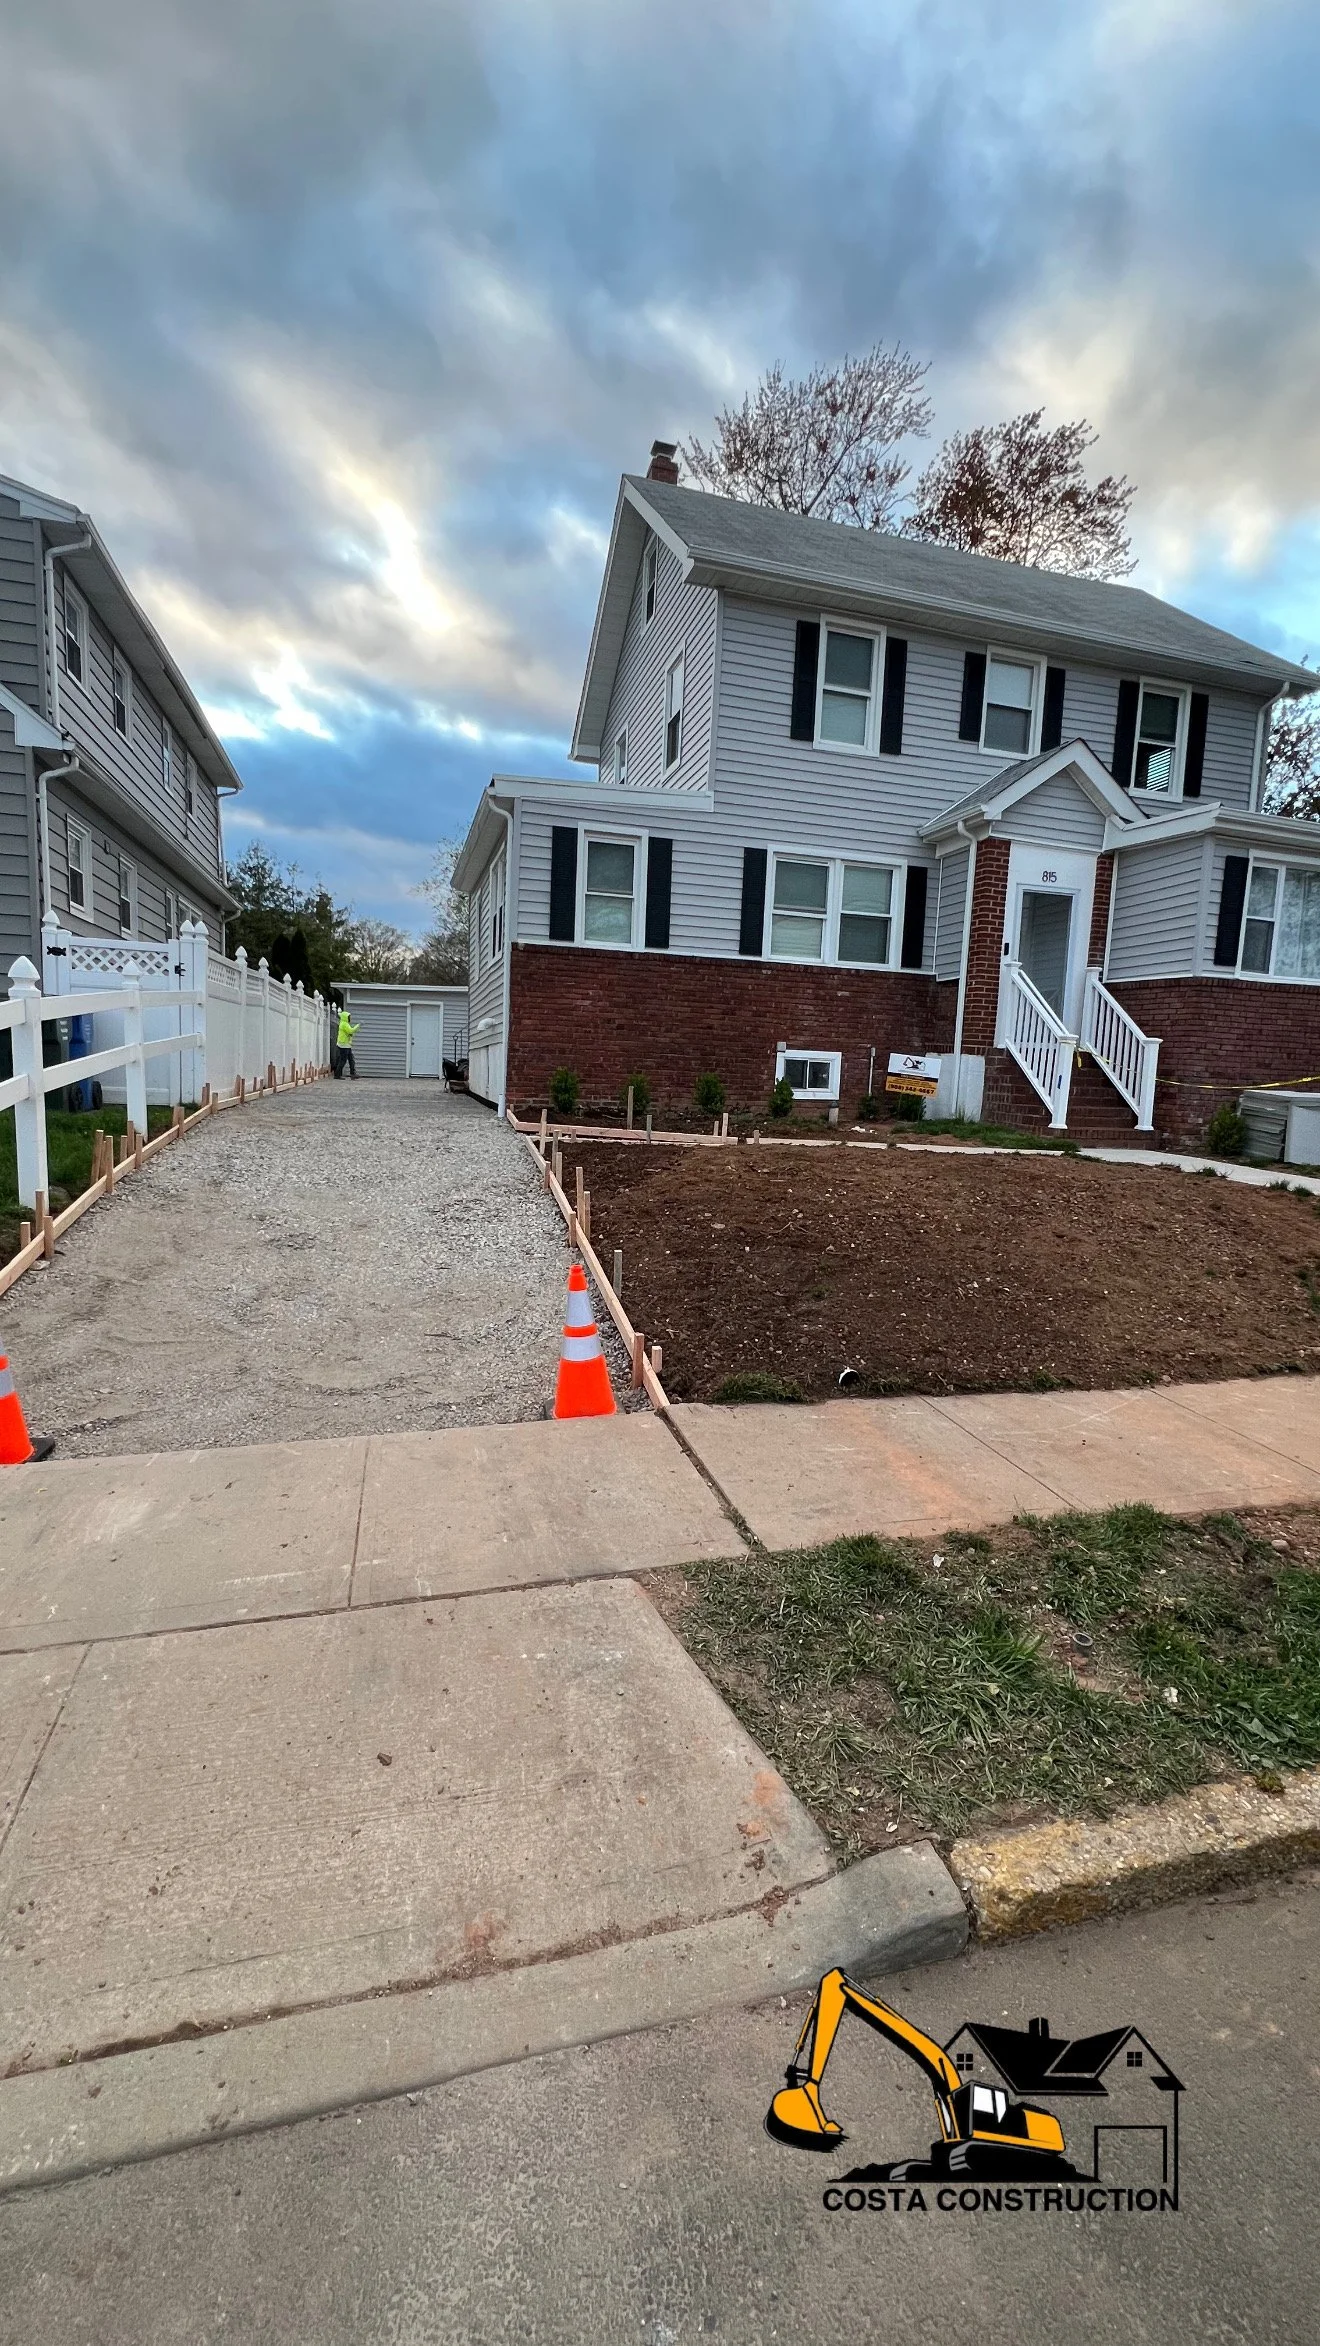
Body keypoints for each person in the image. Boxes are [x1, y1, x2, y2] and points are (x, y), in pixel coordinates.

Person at [334, 1006, 360, 1079]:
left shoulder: (344, 1023)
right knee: (343, 1060)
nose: (350, 1018)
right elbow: (350, 1031)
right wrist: (357, 1026)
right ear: (345, 1017)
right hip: (343, 1045)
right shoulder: (344, 1024)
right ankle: (337, 1075)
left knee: (351, 1059)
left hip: (346, 1045)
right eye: (349, 1017)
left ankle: (352, 1074)